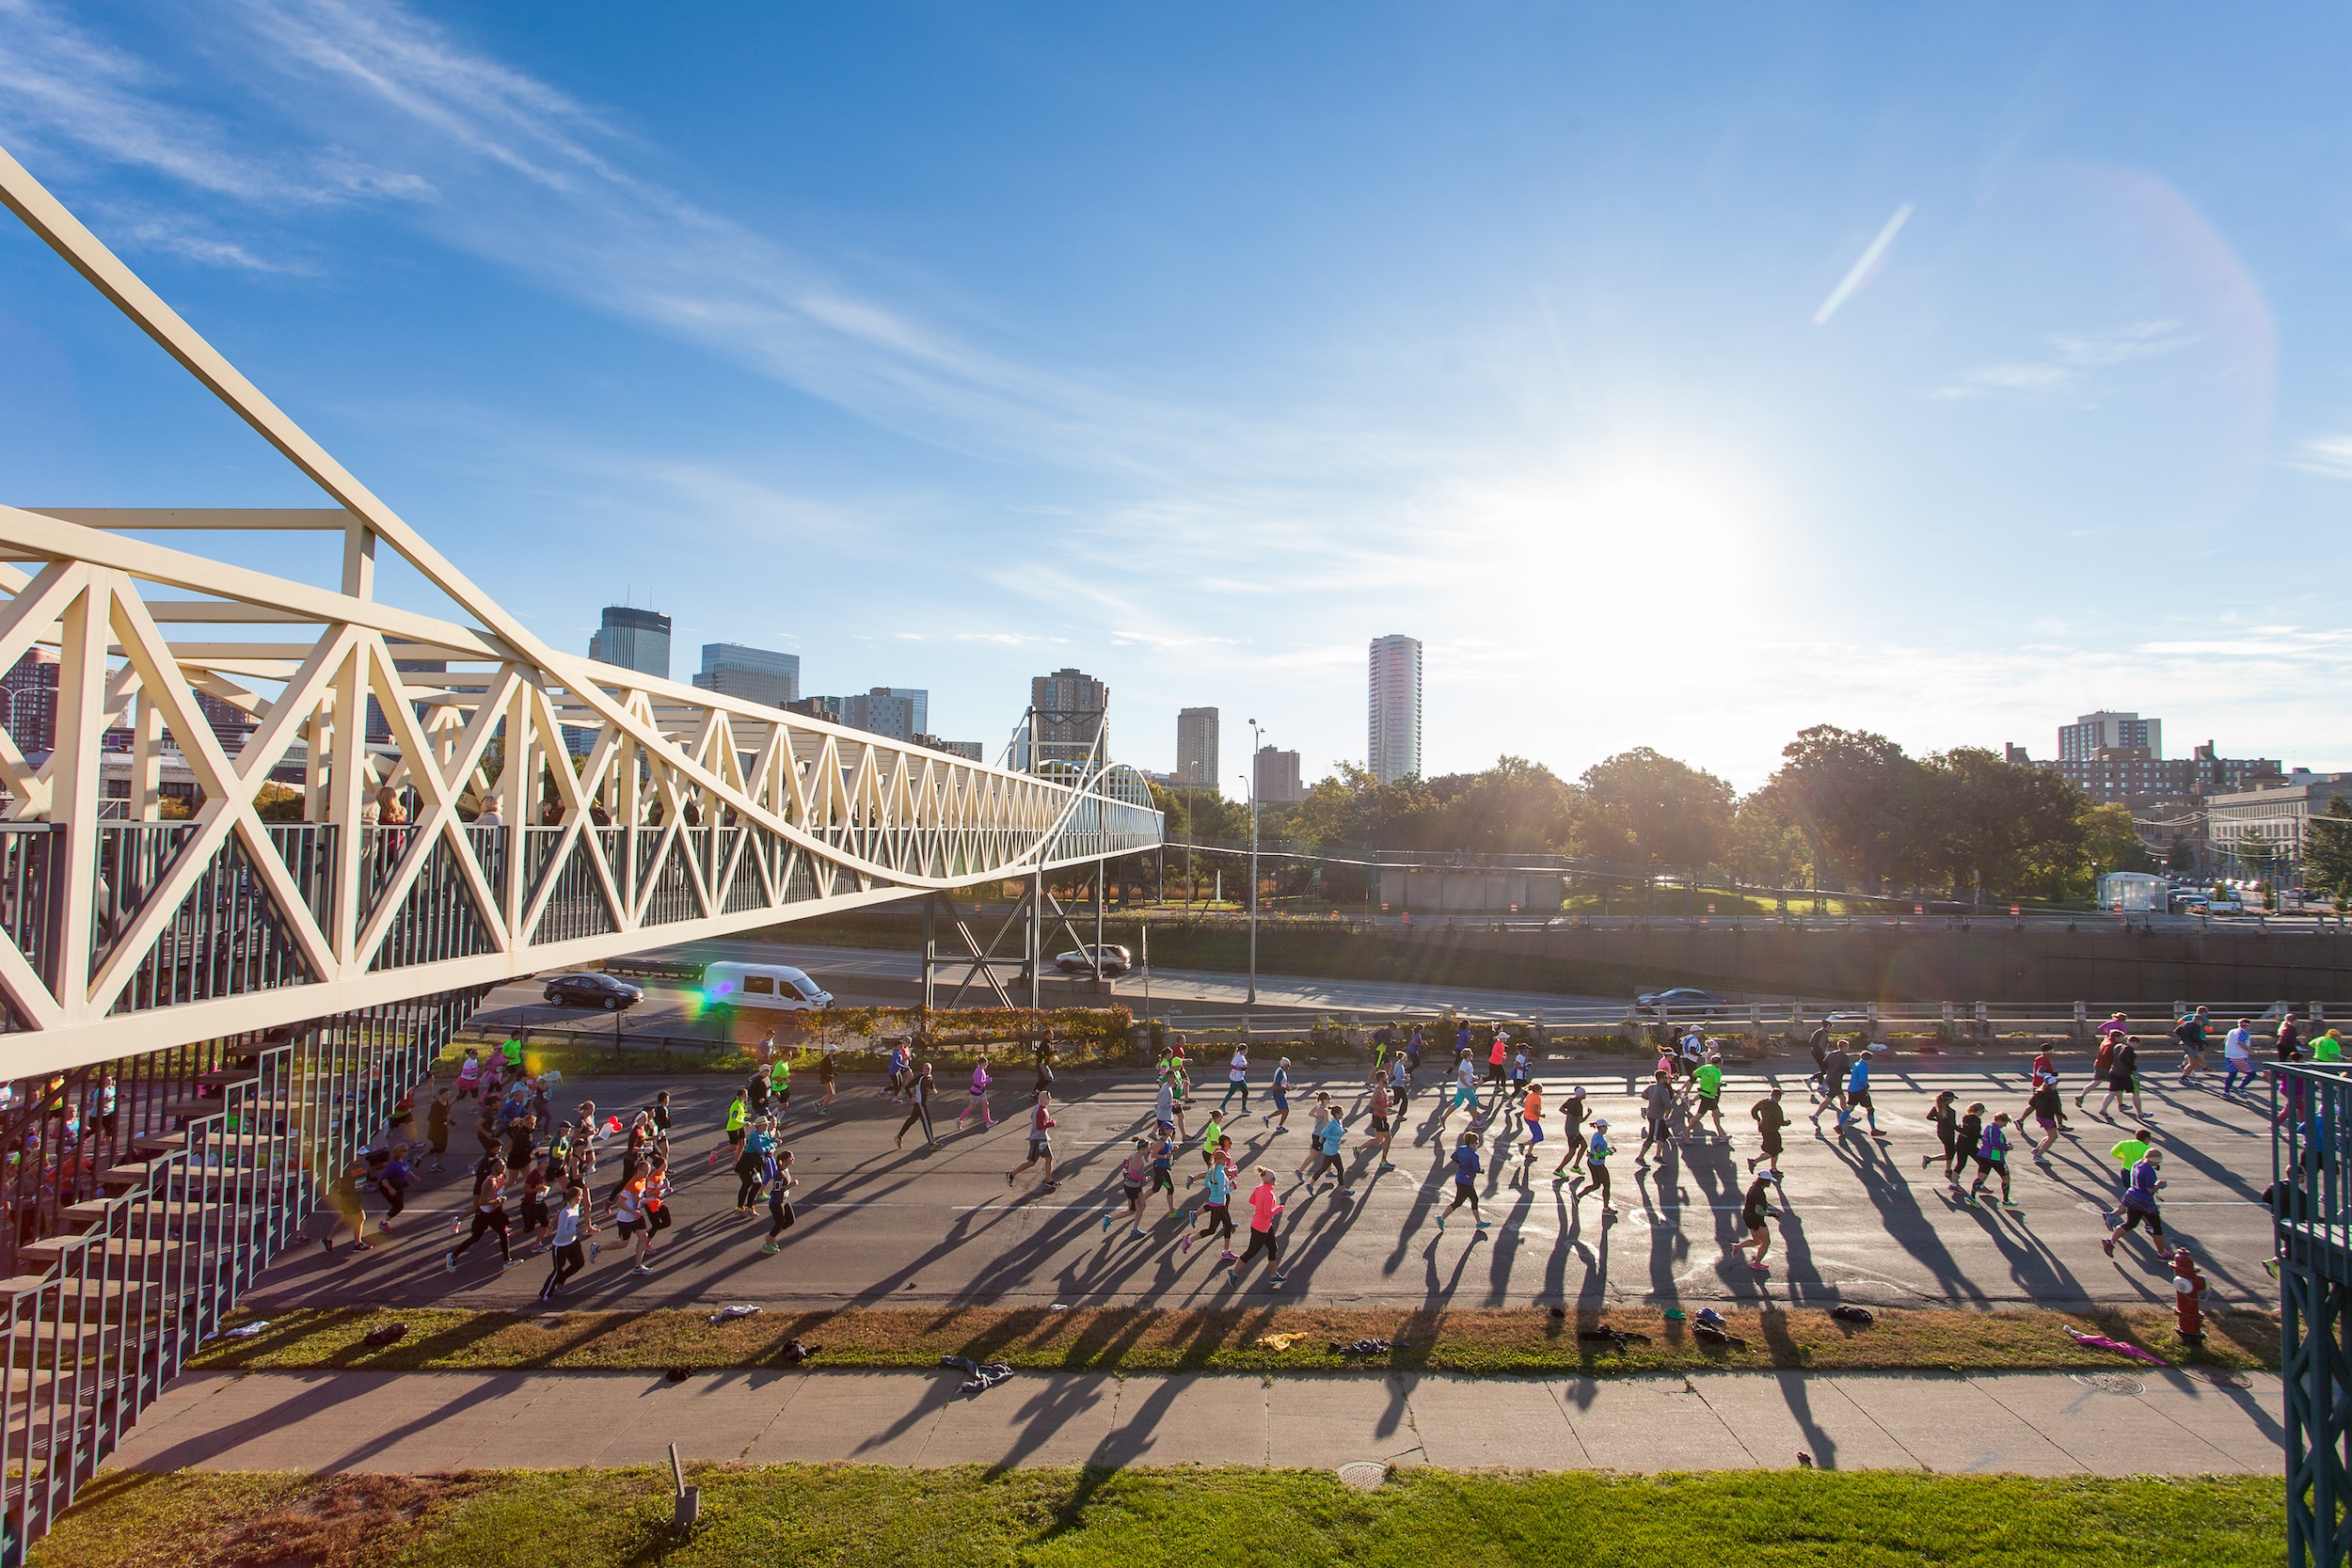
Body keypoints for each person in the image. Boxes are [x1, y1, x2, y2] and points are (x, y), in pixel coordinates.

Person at [445, 1159, 512, 1272]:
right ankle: (452, 1256)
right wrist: (497, 1201)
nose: (504, 1167)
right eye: (501, 1165)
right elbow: (481, 1202)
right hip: (485, 1214)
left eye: (504, 1165)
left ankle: (507, 1261)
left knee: (503, 1233)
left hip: (494, 1213)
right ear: (494, 1168)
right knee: (476, 1237)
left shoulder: (502, 1177)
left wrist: (499, 1203)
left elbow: (497, 1194)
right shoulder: (490, 1182)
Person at [2104, 1148, 2169, 1258]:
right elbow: (2149, 1190)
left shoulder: (2137, 1163)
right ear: (2154, 1160)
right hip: (2144, 1201)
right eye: (2158, 1161)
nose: (2159, 1163)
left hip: (2132, 1196)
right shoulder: (2149, 1171)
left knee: (2131, 1223)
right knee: (2157, 1227)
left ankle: (2111, 1241)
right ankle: (2162, 1253)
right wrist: (2159, 1185)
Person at [1233, 1167, 1287, 1287]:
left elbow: (1252, 1200)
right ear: (1269, 1180)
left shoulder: (1259, 1188)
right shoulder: (1269, 1194)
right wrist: (1278, 1209)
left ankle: (1274, 1275)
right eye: (1274, 1178)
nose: (1275, 1180)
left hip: (1264, 1225)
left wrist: (1260, 1206)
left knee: (1273, 1248)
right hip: (1261, 1228)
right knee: (1251, 1252)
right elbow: (1267, 1213)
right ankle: (1234, 1273)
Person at [539, 1184, 590, 1300]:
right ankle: (545, 1294)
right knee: (557, 1270)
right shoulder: (566, 1212)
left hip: (572, 1242)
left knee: (579, 1263)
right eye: (579, 1196)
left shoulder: (576, 1207)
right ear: (573, 1197)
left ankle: (561, 1280)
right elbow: (561, 1232)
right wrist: (578, 1231)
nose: (581, 1198)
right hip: (561, 1246)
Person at [1436, 1131, 1488, 1235]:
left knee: (1474, 1199)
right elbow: (1476, 1169)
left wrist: (1462, 1164)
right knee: (1458, 1202)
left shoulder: (1461, 1149)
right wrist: (1482, 1170)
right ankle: (1441, 1218)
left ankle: (1479, 1222)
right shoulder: (1474, 1155)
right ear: (1473, 1143)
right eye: (1477, 1143)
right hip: (1467, 1181)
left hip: (1460, 1177)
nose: (1477, 1145)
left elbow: (1453, 1157)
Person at [1006, 1091, 1059, 1190]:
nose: (1050, 1100)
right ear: (1043, 1100)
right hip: (1038, 1140)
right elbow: (1039, 1126)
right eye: (1048, 1098)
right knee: (1032, 1162)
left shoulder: (1038, 1108)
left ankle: (1049, 1181)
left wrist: (1046, 1122)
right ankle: (1012, 1174)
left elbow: (1032, 1117)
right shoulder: (1042, 1111)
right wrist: (1050, 1123)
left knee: (1049, 1158)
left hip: (1041, 1139)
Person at [320, 1157, 372, 1255]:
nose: (363, 1156)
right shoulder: (345, 1166)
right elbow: (333, 1178)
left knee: (345, 1219)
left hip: (356, 1195)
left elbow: (366, 1175)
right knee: (361, 1218)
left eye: (365, 1154)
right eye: (361, 1154)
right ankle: (357, 1243)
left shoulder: (365, 1163)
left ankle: (328, 1239)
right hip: (348, 1197)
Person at [1966, 1112, 2018, 1208]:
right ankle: (2006, 1200)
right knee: (2006, 1178)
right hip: (1995, 1158)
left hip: (1983, 1155)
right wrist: (2007, 1147)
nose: (2005, 1125)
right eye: (2005, 1123)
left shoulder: (1989, 1127)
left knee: (1981, 1177)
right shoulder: (1996, 1130)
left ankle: (1972, 1196)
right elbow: (1995, 1144)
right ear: (1999, 1120)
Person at [1570, 1118, 1615, 1217]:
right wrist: (1608, 1153)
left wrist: (1606, 1150)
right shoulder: (1601, 1139)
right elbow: (1597, 1154)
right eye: (1605, 1127)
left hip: (1592, 1163)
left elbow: (1594, 1151)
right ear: (1601, 1128)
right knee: (1606, 1186)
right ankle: (1606, 1208)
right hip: (1598, 1165)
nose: (1607, 1129)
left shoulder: (1596, 1135)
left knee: (1596, 1185)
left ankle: (1578, 1197)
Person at [2095, 1036, 2146, 1123]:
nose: (2137, 1047)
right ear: (2134, 1042)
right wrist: (2132, 1067)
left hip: (2114, 1072)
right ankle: (2140, 1113)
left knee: (2112, 1092)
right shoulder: (2128, 1049)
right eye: (2137, 1045)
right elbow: (2122, 1057)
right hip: (2125, 1074)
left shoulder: (2118, 1046)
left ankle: (2103, 1109)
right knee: (2136, 1091)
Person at [1305, 1103, 1351, 1198]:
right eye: (1341, 1113)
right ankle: (1343, 1190)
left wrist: (1343, 1132)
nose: (1343, 1114)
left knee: (1323, 1168)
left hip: (1332, 1149)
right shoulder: (1332, 1124)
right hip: (1331, 1150)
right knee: (1340, 1169)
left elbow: (1338, 1135)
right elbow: (1324, 1133)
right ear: (1337, 1114)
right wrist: (1334, 1138)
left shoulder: (1339, 1121)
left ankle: (1310, 1185)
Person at [1732, 1170, 1775, 1273]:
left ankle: (1737, 1246)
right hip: (1756, 1219)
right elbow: (1759, 1210)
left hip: (1748, 1217)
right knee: (1766, 1242)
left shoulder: (1754, 1188)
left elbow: (1760, 1203)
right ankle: (1757, 1263)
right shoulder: (1759, 1193)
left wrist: (1768, 1206)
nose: (1770, 1183)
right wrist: (1772, 1214)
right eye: (1769, 1181)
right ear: (1765, 1182)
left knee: (1757, 1241)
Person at [1105, 1137, 1149, 1236]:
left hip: (1135, 1186)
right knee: (1131, 1211)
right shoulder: (1137, 1159)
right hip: (1132, 1187)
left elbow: (1126, 1164)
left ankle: (1135, 1229)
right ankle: (1110, 1219)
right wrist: (1144, 1178)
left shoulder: (1135, 1154)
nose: (1148, 1150)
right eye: (1147, 1148)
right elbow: (1134, 1176)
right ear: (1142, 1149)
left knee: (1142, 1205)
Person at [1838, 1052, 1883, 1139]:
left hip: (1851, 1089)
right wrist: (1866, 1086)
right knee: (1870, 1109)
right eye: (1871, 1060)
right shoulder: (1863, 1066)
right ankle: (1873, 1130)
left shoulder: (1857, 1064)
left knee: (1850, 1107)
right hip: (1860, 1090)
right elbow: (1862, 1080)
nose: (1871, 1062)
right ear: (1868, 1059)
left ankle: (1839, 1125)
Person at [761, 1150, 798, 1255]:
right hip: (776, 1202)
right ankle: (767, 1244)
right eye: (791, 1158)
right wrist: (790, 1185)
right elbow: (777, 1190)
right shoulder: (779, 1174)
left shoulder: (785, 1169)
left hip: (784, 1200)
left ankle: (771, 1237)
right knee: (779, 1223)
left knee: (790, 1220)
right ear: (785, 1160)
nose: (793, 1159)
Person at [1636, 1069, 1675, 1165]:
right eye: (1666, 1077)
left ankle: (1658, 1156)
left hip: (1653, 1114)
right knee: (1651, 1138)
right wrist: (1673, 1101)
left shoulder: (1652, 1087)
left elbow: (1643, 1094)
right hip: (1656, 1116)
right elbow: (1668, 1106)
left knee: (1665, 1134)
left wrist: (1653, 1098)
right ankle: (1640, 1158)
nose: (1667, 1079)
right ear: (1661, 1079)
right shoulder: (1663, 1090)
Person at [1946, 1102, 1985, 1198]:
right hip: (1969, 1145)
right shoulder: (1975, 1120)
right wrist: (1983, 1137)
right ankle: (1979, 1184)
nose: (1982, 1113)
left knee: (1960, 1164)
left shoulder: (1966, 1118)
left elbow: (1966, 1131)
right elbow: (1973, 1133)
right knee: (1983, 1163)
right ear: (1978, 1110)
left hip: (1961, 1143)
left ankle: (1953, 1184)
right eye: (1982, 1111)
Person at [896, 1063, 938, 1150]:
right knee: (927, 1122)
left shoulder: (929, 1077)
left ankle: (898, 1136)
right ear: (922, 1070)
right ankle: (932, 1143)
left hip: (922, 1103)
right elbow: (907, 1087)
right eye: (925, 1069)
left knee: (912, 1120)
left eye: (929, 1069)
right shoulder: (919, 1078)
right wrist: (911, 1097)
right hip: (920, 1103)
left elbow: (930, 1083)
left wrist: (933, 1089)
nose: (927, 1071)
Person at [1551, 1086, 1590, 1181]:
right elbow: (1580, 1120)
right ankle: (1559, 1169)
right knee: (1573, 1151)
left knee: (1583, 1146)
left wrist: (1569, 1115)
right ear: (1581, 1095)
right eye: (1584, 1093)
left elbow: (1561, 1109)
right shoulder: (1578, 1105)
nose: (1585, 1095)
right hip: (1573, 1131)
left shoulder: (1571, 1100)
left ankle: (1576, 1166)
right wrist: (1589, 1114)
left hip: (1569, 1128)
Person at [1747, 1087, 1788, 1176]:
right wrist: (1787, 1123)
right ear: (1778, 1097)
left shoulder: (1763, 1102)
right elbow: (1780, 1121)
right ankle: (1754, 1162)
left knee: (1776, 1149)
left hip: (1764, 1128)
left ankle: (1773, 1168)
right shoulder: (1776, 1107)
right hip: (1772, 1130)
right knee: (1773, 1151)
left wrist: (1758, 1119)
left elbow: (1753, 1111)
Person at [2025, 1077, 2065, 1162]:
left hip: (2040, 1116)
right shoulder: (2052, 1094)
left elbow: (2031, 1103)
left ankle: (2037, 1150)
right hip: (2047, 1118)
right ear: (2052, 1085)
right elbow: (2056, 1108)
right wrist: (2061, 1116)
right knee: (2053, 1137)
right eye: (2055, 1084)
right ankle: (2038, 1155)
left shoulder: (2039, 1092)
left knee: (2050, 1135)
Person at [1512, 1082, 1546, 1183]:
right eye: (1541, 1090)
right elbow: (1535, 1110)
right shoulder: (1537, 1098)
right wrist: (1541, 1115)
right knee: (1539, 1137)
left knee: (1535, 1136)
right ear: (1538, 1090)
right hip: (1532, 1118)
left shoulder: (1530, 1095)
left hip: (1527, 1117)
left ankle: (1529, 1154)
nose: (1542, 1092)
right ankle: (1523, 1145)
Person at [1363, 1071, 1396, 1172]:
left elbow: (1381, 1102)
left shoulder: (1383, 1089)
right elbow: (1371, 1104)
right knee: (1388, 1138)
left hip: (1380, 1117)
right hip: (1379, 1117)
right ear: (1382, 1078)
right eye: (1386, 1076)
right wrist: (1383, 1110)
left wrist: (1388, 1104)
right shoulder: (1378, 1091)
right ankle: (1383, 1161)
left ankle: (1358, 1149)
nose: (1387, 1077)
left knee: (1378, 1140)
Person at [374, 1144, 413, 1230]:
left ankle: (385, 1221)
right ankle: (383, 1223)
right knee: (398, 1206)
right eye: (404, 1151)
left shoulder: (404, 1161)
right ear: (399, 1153)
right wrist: (390, 1189)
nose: (407, 1152)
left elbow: (407, 1170)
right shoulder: (393, 1164)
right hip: (388, 1186)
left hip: (398, 1186)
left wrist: (414, 1177)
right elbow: (383, 1178)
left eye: (407, 1150)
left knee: (398, 1205)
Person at [954, 1053, 993, 1132]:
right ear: (982, 1064)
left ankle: (988, 1121)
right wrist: (988, 1080)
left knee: (985, 1104)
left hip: (981, 1091)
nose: (986, 1065)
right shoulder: (980, 1071)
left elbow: (974, 1078)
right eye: (985, 1064)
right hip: (976, 1092)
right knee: (971, 1108)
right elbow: (979, 1082)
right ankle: (959, 1119)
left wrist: (985, 1078)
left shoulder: (979, 1070)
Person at [1692, 1054, 1726, 1140]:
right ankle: (1687, 1130)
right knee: (1699, 1115)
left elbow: (1694, 1074)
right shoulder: (1717, 1071)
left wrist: (1704, 1078)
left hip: (1706, 1093)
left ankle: (1721, 1135)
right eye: (1721, 1063)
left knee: (1716, 1114)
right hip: (1709, 1095)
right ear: (1718, 1063)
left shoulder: (1704, 1067)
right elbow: (1717, 1084)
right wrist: (1723, 1084)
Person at [2175, 1006, 2211, 1085]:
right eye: (2202, 1022)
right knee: (2193, 1062)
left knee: (2192, 1060)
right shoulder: (2196, 1026)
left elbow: (2176, 1031)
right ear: (2199, 1020)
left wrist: (2183, 1037)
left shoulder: (2185, 1023)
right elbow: (2196, 1037)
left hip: (2184, 1043)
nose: (2202, 1023)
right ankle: (2183, 1078)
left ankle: (2186, 1074)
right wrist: (2202, 1042)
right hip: (2190, 1045)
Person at [2222, 1018, 2257, 1098]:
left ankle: (2226, 1092)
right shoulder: (2243, 1032)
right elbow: (2240, 1042)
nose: (2250, 1027)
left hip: (2229, 1055)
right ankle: (2240, 1088)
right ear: (2247, 1025)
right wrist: (2249, 1050)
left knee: (2232, 1074)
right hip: (2239, 1056)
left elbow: (2226, 1041)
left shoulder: (2232, 1031)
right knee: (2251, 1073)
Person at [1263, 1057, 1293, 1132]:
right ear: (1284, 1065)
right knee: (1285, 1110)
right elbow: (1275, 1086)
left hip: (1280, 1093)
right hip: (1278, 1093)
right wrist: (1285, 1088)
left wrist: (1286, 1085)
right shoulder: (1280, 1073)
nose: (1289, 1067)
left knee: (1283, 1110)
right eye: (1288, 1065)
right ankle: (1279, 1126)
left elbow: (1282, 1082)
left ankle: (1268, 1118)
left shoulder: (1281, 1070)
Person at [1217, 1047, 1250, 1114]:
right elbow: (1232, 1066)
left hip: (1239, 1077)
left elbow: (1243, 1066)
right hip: (1236, 1078)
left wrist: (1247, 1064)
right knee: (1244, 1092)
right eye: (1245, 1050)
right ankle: (1243, 1109)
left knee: (1233, 1092)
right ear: (1241, 1050)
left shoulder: (1242, 1056)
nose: (1246, 1051)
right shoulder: (1237, 1057)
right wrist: (1240, 1069)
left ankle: (1223, 1106)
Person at [425, 1088, 452, 1173]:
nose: (448, 1096)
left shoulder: (446, 1103)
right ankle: (420, 1156)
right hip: (436, 1129)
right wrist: (443, 1119)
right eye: (446, 1094)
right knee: (438, 1147)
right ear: (441, 1095)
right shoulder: (435, 1105)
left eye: (448, 1094)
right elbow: (430, 1118)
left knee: (443, 1148)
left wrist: (447, 1118)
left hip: (443, 1128)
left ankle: (435, 1164)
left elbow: (446, 1113)